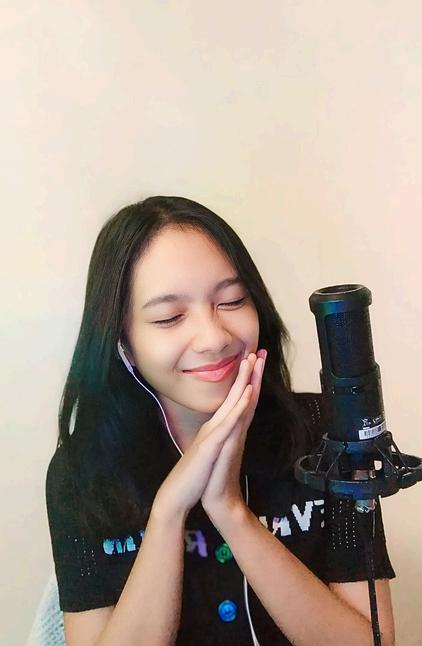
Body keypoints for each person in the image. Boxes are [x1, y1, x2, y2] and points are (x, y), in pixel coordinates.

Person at [46, 195, 396, 646]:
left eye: (232, 300)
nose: (213, 338)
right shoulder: (82, 473)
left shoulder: (327, 435)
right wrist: (169, 512)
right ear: (122, 340)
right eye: (170, 317)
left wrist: (231, 512)